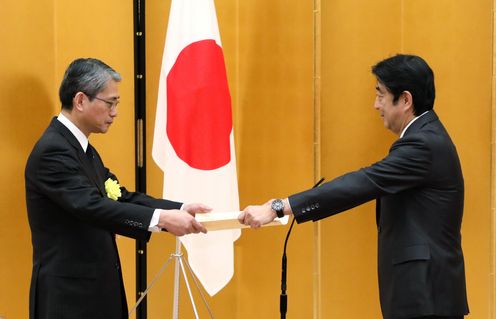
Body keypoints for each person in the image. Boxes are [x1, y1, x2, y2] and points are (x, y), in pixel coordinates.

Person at [238, 54, 469, 319]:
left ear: (405, 100)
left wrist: (279, 207)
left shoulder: (423, 145)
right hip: (424, 296)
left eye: (381, 95)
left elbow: (361, 183)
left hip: (426, 298)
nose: (376, 105)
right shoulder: (427, 137)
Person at [25, 58, 210, 319]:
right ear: (80, 101)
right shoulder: (54, 151)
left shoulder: (83, 149)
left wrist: (178, 208)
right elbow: (91, 206)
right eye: (110, 103)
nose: (115, 113)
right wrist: (161, 219)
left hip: (96, 292)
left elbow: (119, 196)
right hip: (68, 298)